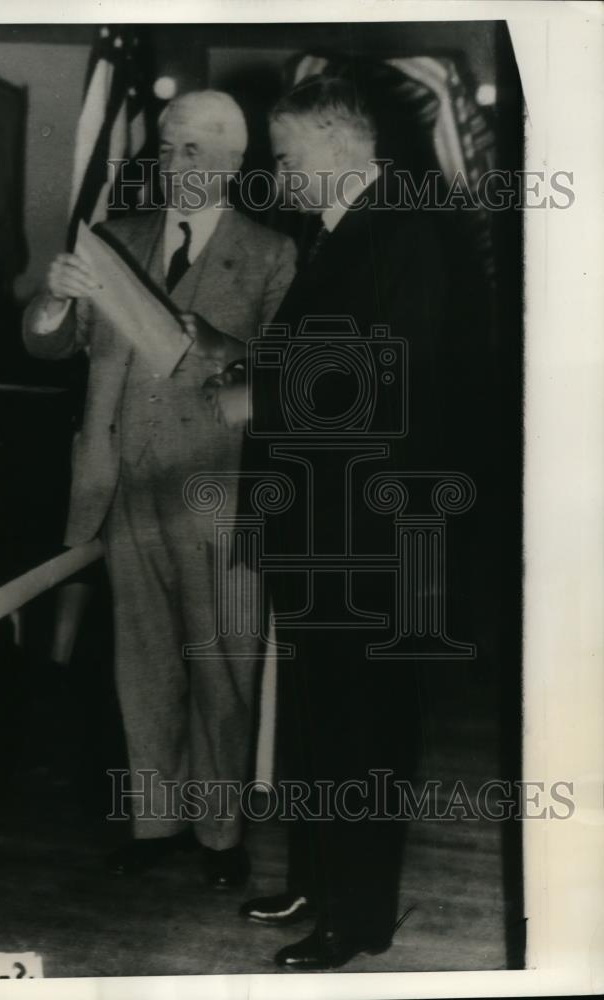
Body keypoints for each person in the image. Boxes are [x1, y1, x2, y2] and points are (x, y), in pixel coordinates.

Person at [207, 75, 487, 967]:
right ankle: (318, 882)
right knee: (319, 719)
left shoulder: (406, 228)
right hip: (323, 526)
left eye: (286, 157)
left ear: (336, 143)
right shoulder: (342, 233)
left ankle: (356, 920)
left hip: (369, 534)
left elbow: (396, 383)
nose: (278, 176)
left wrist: (263, 396)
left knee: (360, 725)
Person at [22, 90, 296, 889]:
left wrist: (217, 347)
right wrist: (54, 299)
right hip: (122, 485)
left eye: (192, 153)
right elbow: (44, 347)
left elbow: (287, 375)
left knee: (221, 668)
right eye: (167, 150)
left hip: (220, 491)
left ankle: (220, 834)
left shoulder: (273, 253)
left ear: (232, 165)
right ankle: (157, 822)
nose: (173, 167)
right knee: (141, 664)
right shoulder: (115, 238)